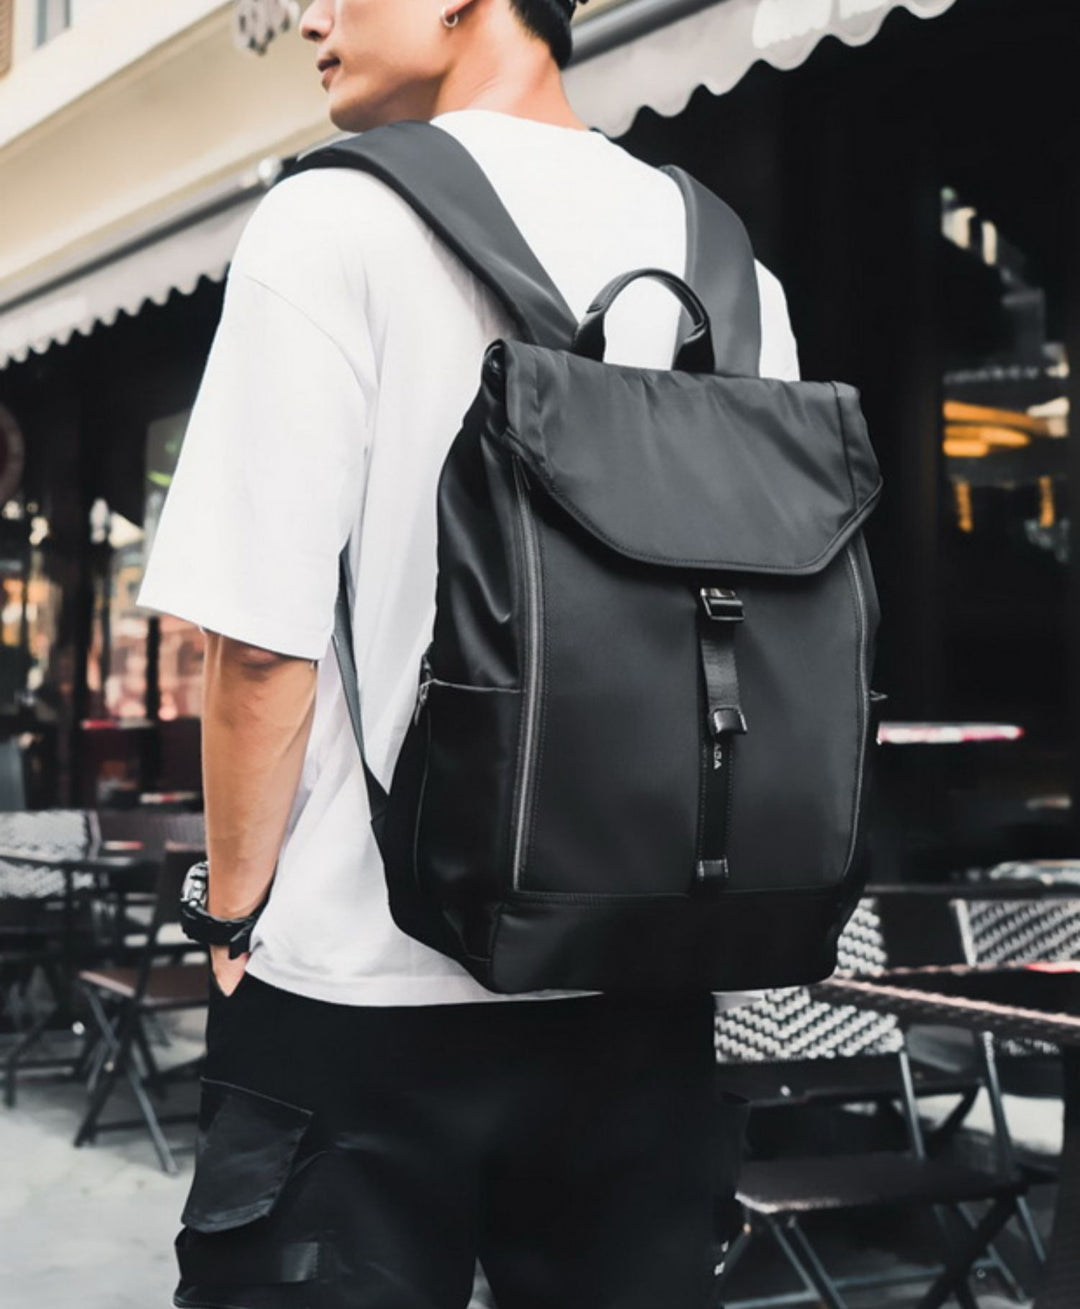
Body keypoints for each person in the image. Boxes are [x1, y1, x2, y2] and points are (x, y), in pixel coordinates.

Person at [137, 0, 800, 1304]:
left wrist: (230, 916)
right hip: (641, 979)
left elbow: (258, 645)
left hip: (360, 983)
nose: (309, 19)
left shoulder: (333, 220)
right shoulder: (732, 271)